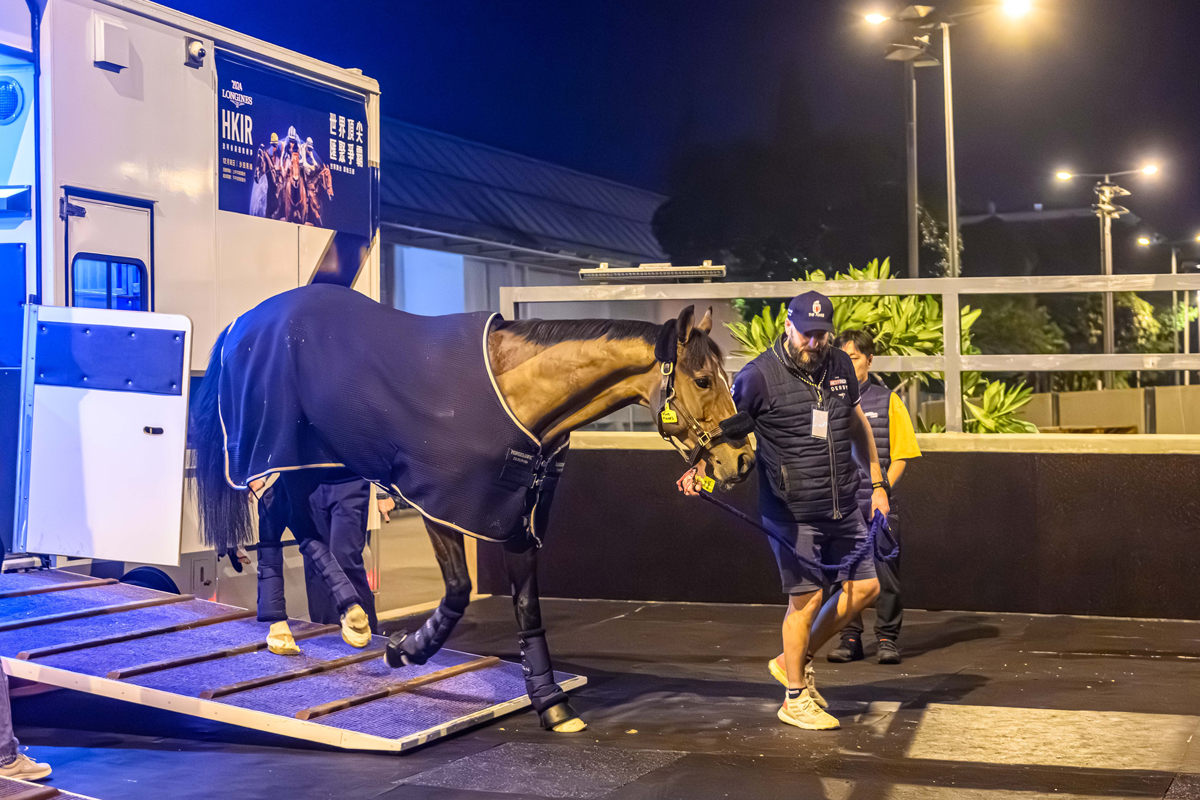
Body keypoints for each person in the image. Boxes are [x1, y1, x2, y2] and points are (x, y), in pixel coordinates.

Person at [679, 290, 888, 731]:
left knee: (867, 588)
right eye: (807, 334)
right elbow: (725, 429)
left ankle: (792, 658)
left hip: (843, 501)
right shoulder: (757, 376)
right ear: (788, 326)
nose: (814, 343)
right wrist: (700, 469)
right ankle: (794, 697)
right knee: (807, 599)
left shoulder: (840, 366)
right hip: (791, 508)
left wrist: (877, 482)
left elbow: (854, 422)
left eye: (822, 335)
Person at [827, 330, 921, 665]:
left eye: (854, 357)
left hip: (879, 506)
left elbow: (902, 455)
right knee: (843, 576)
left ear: (869, 359)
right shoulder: (825, 400)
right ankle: (849, 638)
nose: (848, 365)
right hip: (840, 507)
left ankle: (887, 640)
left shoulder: (888, 400)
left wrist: (881, 492)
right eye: (843, 358)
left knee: (885, 574)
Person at [302, 478, 394, 635]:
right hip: (309, 482)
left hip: (350, 480)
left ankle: (365, 633)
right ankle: (326, 635)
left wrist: (383, 491)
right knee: (316, 564)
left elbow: (375, 452)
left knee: (345, 559)